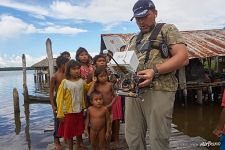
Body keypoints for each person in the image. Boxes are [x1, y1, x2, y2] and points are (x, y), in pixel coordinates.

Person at [125, 0, 189, 149]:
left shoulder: (167, 29)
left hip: (159, 89)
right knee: (132, 136)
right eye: (137, 19)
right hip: (134, 92)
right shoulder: (134, 39)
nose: (141, 22)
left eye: (145, 16)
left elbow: (183, 57)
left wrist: (154, 70)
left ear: (155, 13)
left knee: (157, 139)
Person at [56, 60, 89, 150]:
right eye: (74, 69)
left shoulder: (81, 81)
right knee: (69, 134)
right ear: (68, 70)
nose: (77, 70)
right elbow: (59, 98)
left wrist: (94, 82)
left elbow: (87, 88)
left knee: (79, 131)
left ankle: (78, 147)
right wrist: (60, 113)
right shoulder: (65, 82)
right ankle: (71, 148)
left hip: (79, 110)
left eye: (78, 68)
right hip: (68, 112)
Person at [49, 55, 69, 150]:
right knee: (57, 121)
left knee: (67, 119)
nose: (68, 66)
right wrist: (53, 105)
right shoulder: (55, 76)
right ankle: (56, 141)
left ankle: (66, 137)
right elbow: (51, 92)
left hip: (68, 100)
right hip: (58, 100)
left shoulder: (68, 74)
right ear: (61, 65)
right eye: (66, 64)